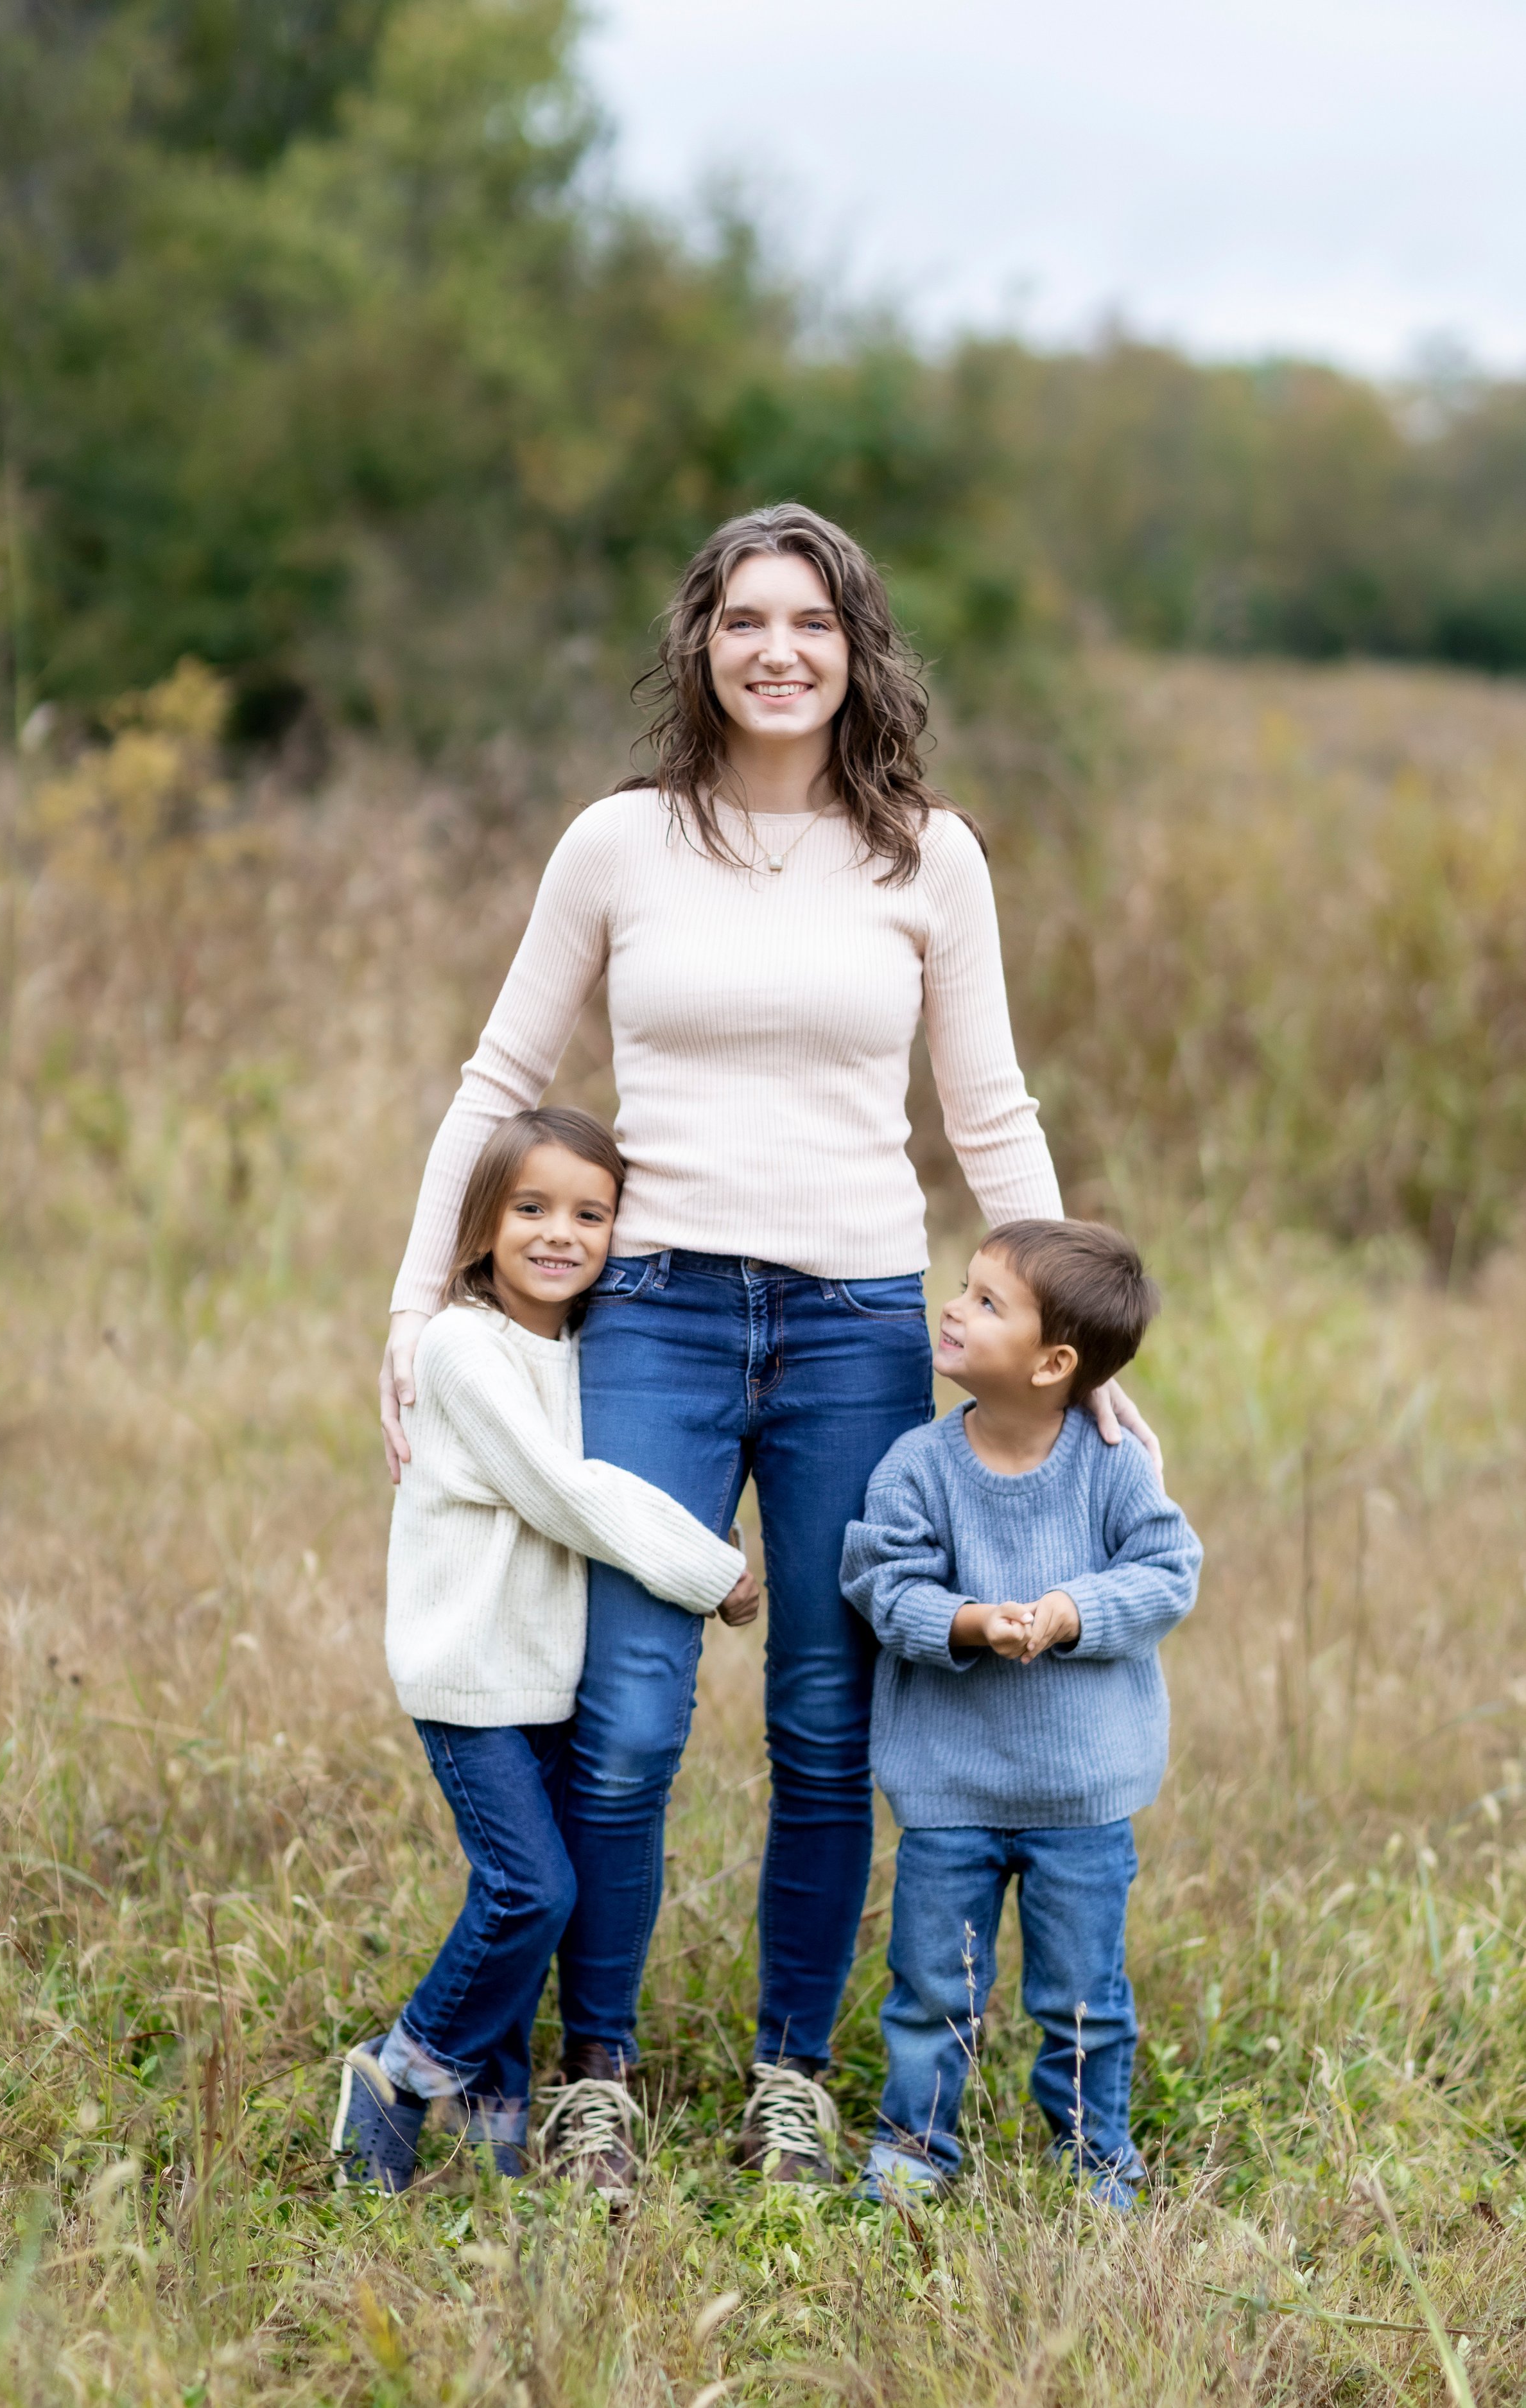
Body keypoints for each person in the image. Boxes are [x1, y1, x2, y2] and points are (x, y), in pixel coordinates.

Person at [377, 502, 1162, 2192]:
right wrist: (410, 1303)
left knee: (821, 1722)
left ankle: (788, 2072)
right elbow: (499, 1078)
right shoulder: (619, 843)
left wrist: (1081, 1355)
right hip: (653, 1315)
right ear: (701, 643)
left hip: (855, 1323)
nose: (776, 650)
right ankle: (593, 2072)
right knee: (625, 1717)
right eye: (744, 619)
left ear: (856, 648)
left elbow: (989, 1110)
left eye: (809, 620)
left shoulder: (928, 858)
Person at [335, 1107, 758, 2195]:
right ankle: (402, 2067)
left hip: (548, 1676)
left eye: (590, 1214)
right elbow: (566, 1493)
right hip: (470, 1679)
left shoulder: (583, 1348)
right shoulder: (461, 1346)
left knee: (534, 1893)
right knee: (533, 1891)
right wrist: (710, 1567)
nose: (560, 1233)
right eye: (531, 1208)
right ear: (481, 1222)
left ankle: (496, 2114)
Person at [840, 1219, 1201, 2206]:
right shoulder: (918, 1465)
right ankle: (913, 2151)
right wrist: (966, 1621)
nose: (954, 1306)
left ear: (1053, 1364)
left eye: (987, 1301)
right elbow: (880, 1583)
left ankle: (1094, 2156)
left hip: (1081, 1796)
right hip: (949, 1789)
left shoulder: (1110, 1463)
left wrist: (1072, 1610)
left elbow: (1168, 1571)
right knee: (931, 1988)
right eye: (964, 1285)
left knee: (1084, 1996)